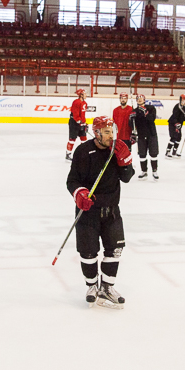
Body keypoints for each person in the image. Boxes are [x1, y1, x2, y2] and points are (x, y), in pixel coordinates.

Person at [66, 116, 135, 308]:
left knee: (115, 250)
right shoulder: (83, 151)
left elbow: (127, 178)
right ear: (96, 133)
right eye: (106, 132)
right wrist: (80, 193)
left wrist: (126, 161)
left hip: (111, 210)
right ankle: (92, 286)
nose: (110, 136)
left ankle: (107, 287)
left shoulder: (117, 149)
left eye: (111, 131)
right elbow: (72, 180)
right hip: (88, 211)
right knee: (88, 252)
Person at [131, 93, 159, 179]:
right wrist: (131, 118)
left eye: (141, 98)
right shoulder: (135, 111)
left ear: (144, 100)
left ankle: (154, 171)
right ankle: (144, 171)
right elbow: (132, 124)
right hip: (141, 135)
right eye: (138, 98)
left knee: (153, 153)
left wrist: (145, 112)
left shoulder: (151, 108)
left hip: (151, 134)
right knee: (142, 154)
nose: (139, 99)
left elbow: (152, 119)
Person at [66, 88, 88, 160]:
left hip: (81, 123)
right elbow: (75, 114)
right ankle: (68, 154)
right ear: (81, 95)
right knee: (72, 139)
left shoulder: (85, 103)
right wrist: (79, 121)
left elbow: (83, 114)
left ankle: (84, 154)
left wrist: (84, 122)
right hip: (74, 123)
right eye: (84, 93)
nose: (86, 95)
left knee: (84, 139)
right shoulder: (76, 102)